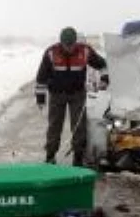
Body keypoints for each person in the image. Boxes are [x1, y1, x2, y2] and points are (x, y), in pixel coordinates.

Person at [35, 27, 108, 166]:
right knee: (54, 126)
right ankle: (50, 156)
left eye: (71, 45)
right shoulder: (51, 53)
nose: (69, 48)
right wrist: (41, 99)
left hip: (77, 95)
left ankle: (78, 157)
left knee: (79, 127)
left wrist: (105, 79)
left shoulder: (85, 51)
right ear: (61, 43)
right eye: (66, 45)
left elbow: (103, 65)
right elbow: (41, 78)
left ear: (75, 42)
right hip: (57, 95)